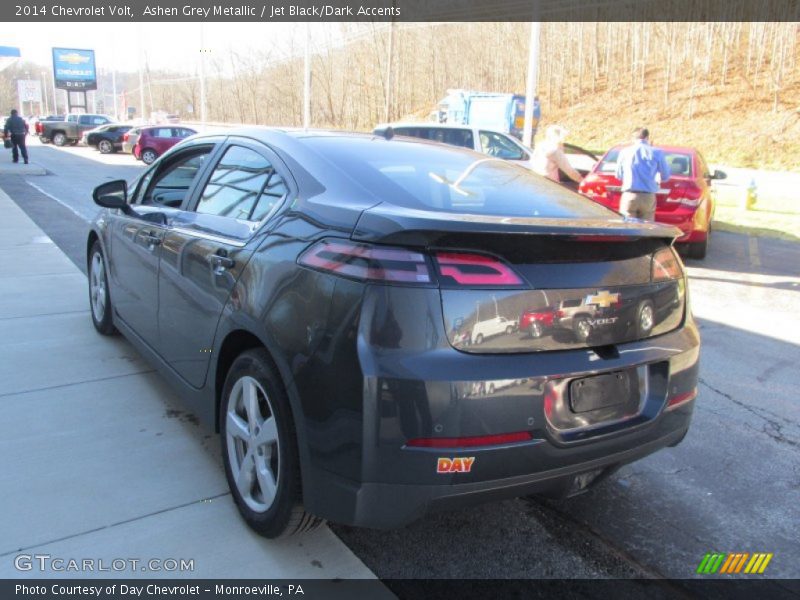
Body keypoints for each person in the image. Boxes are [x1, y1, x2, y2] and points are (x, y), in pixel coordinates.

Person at [614, 127, 671, 221]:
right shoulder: (657, 152)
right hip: (648, 195)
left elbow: (619, 175)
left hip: (629, 194)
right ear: (647, 137)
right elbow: (665, 176)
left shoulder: (624, 152)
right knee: (646, 229)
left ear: (633, 138)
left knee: (627, 227)